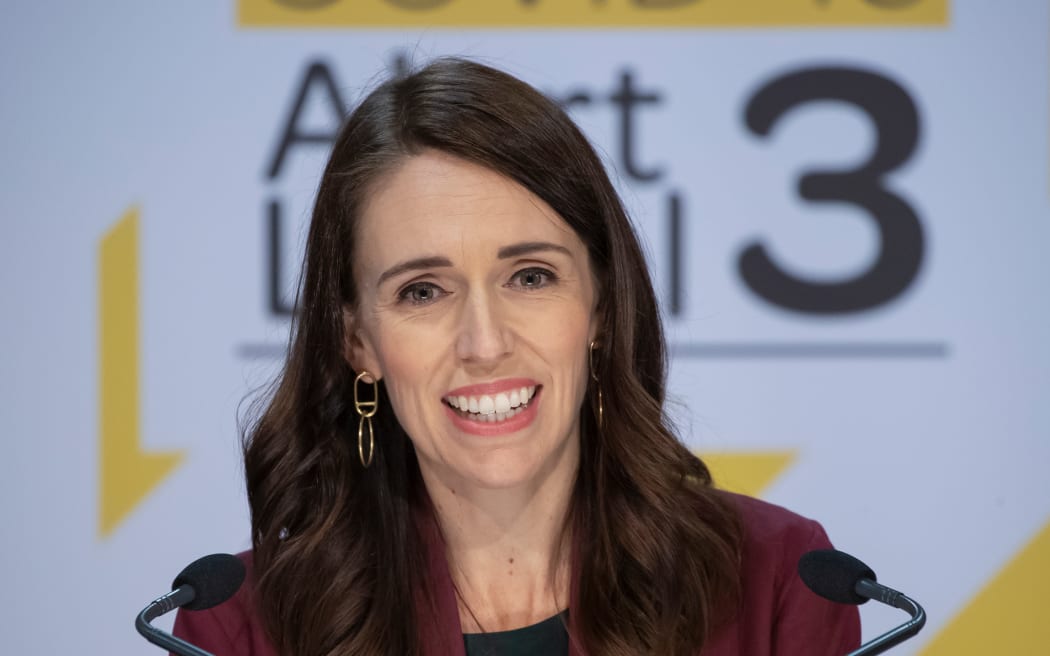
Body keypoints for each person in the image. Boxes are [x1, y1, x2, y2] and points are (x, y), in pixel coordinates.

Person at [173, 58, 860, 656]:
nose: (485, 342)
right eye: (422, 291)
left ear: (600, 306)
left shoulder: (777, 582)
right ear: (358, 342)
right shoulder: (241, 632)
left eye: (530, 276)